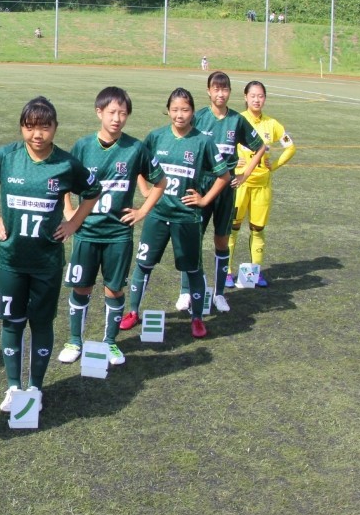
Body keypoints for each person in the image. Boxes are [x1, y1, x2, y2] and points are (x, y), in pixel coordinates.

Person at [0, 97, 100, 412]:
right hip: (11, 261)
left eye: (44, 127)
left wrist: (74, 222)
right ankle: (13, 388)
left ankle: (35, 389)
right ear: (22, 127)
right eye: (30, 127)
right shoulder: (6, 157)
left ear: (54, 128)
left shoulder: (66, 163)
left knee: (41, 324)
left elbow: (93, 191)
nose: (36, 134)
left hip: (46, 262)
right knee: (11, 323)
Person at [57, 87, 166, 367]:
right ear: (99, 113)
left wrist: (142, 211)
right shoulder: (83, 146)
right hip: (87, 232)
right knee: (81, 288)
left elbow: (160, 182)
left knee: (114, 289)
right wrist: (69, 212)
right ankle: (74, 340)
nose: (117, 118)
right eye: (112, 112)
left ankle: (110, 342)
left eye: (123, 113)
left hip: (118, 234)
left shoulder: (135, 148)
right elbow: (63, 181)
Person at [121, 88, 228, 339]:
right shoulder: (156, 137)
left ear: (192, 112)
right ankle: (133, 312)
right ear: (168, 110)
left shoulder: (203, 141)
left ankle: (198, 318)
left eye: (185, 110)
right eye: (175, 109)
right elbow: (137, 164)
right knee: (144, 264)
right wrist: (146, 191)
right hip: (157, 215)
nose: (180, 115)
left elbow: (224, 175)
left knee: (192, 269)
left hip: (187, 218)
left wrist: (204, 200)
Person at [173, 71, 265, 315]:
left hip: (225, 188)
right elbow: (183, 139)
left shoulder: (236, 120)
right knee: (193, 238)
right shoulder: (199, 117)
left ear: (230, 93)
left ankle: (220, 293)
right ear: (208, 91)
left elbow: (260, 147)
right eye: (216, 89)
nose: (220, 93)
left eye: (224, 89)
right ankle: (185, 291)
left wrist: (244, 175)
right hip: (200, 185)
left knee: (221, 239)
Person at [228, 80, 297, 289]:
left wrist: (272, 165)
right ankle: (227, 272)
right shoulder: (236, 120)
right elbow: (219, 144)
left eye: (260, 96)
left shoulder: (272, 125)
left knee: (258, 230)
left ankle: (256, 273)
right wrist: (232, 162)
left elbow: (290, 147)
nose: (257, 99)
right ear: (245, 97)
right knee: (232, 228)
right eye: (253, 96)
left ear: (265, 98)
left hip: (262, 187)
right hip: (239, 184)